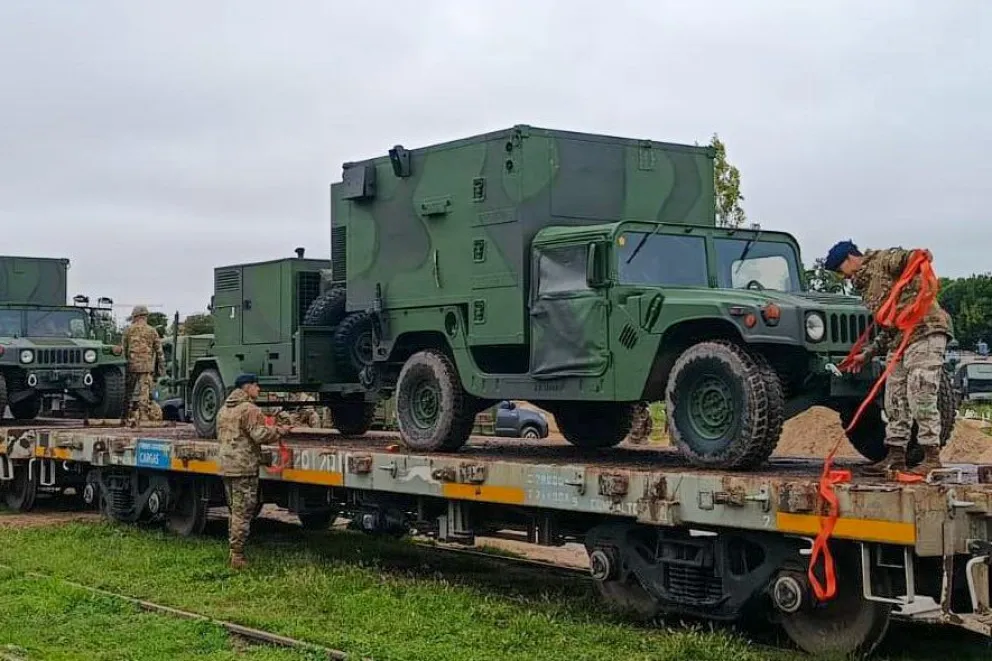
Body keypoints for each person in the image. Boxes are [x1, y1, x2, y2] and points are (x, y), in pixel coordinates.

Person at [824, 241, 953, 477]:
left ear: (851, 258)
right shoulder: (866, 287)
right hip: (900, 341)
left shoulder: (882, 261)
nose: (842, 277)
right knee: (894, 399)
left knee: (920, 391)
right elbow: (889, 326)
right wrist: (867, 354)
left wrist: (919, 257)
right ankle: (895, 458)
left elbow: (910, 258)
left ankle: (931, 457)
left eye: (840, 269)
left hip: (925, 331)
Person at [216, 373, 290, 569]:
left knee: (234, 511)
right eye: (256, 386)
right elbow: (259, 435)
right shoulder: (249, 409)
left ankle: (234, 551)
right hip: (244, 468)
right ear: (247, 387)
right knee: (243, 513)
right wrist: (279, 431)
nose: (259, 390)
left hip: (227, 466)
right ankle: (237, 556)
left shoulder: (224, 409)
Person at [120, 305, 166, 425]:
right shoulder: (152, 330)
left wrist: (124, 365)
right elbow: (160, 352)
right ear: (145, 316)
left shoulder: (128, 330)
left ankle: (124, 415)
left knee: (128, 391)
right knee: (144, 392)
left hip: (131, 365)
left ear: (135, 316)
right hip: (146, 366)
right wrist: (161, 369)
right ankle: (143, 416)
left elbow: (123, 350)